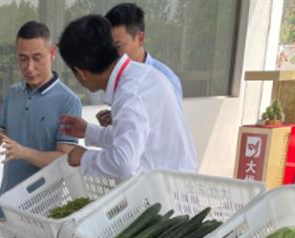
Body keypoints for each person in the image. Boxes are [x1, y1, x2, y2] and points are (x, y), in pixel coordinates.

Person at [0, 21, 81, 228]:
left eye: (36, 58)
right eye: (22, 59)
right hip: (6, 205)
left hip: (43, 214)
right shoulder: (14, 93)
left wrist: (24, 153)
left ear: (52, 53)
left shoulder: (68, 101)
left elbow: (65, 160)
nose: (29, 67)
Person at [57, 15, 197, 180]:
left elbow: (123, 164)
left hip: (167, 192)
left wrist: (84, 157)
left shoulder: (129, 92)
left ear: (81, 72)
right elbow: (130, 139)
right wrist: (88, 131)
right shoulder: (139, 75)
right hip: (171, 184)